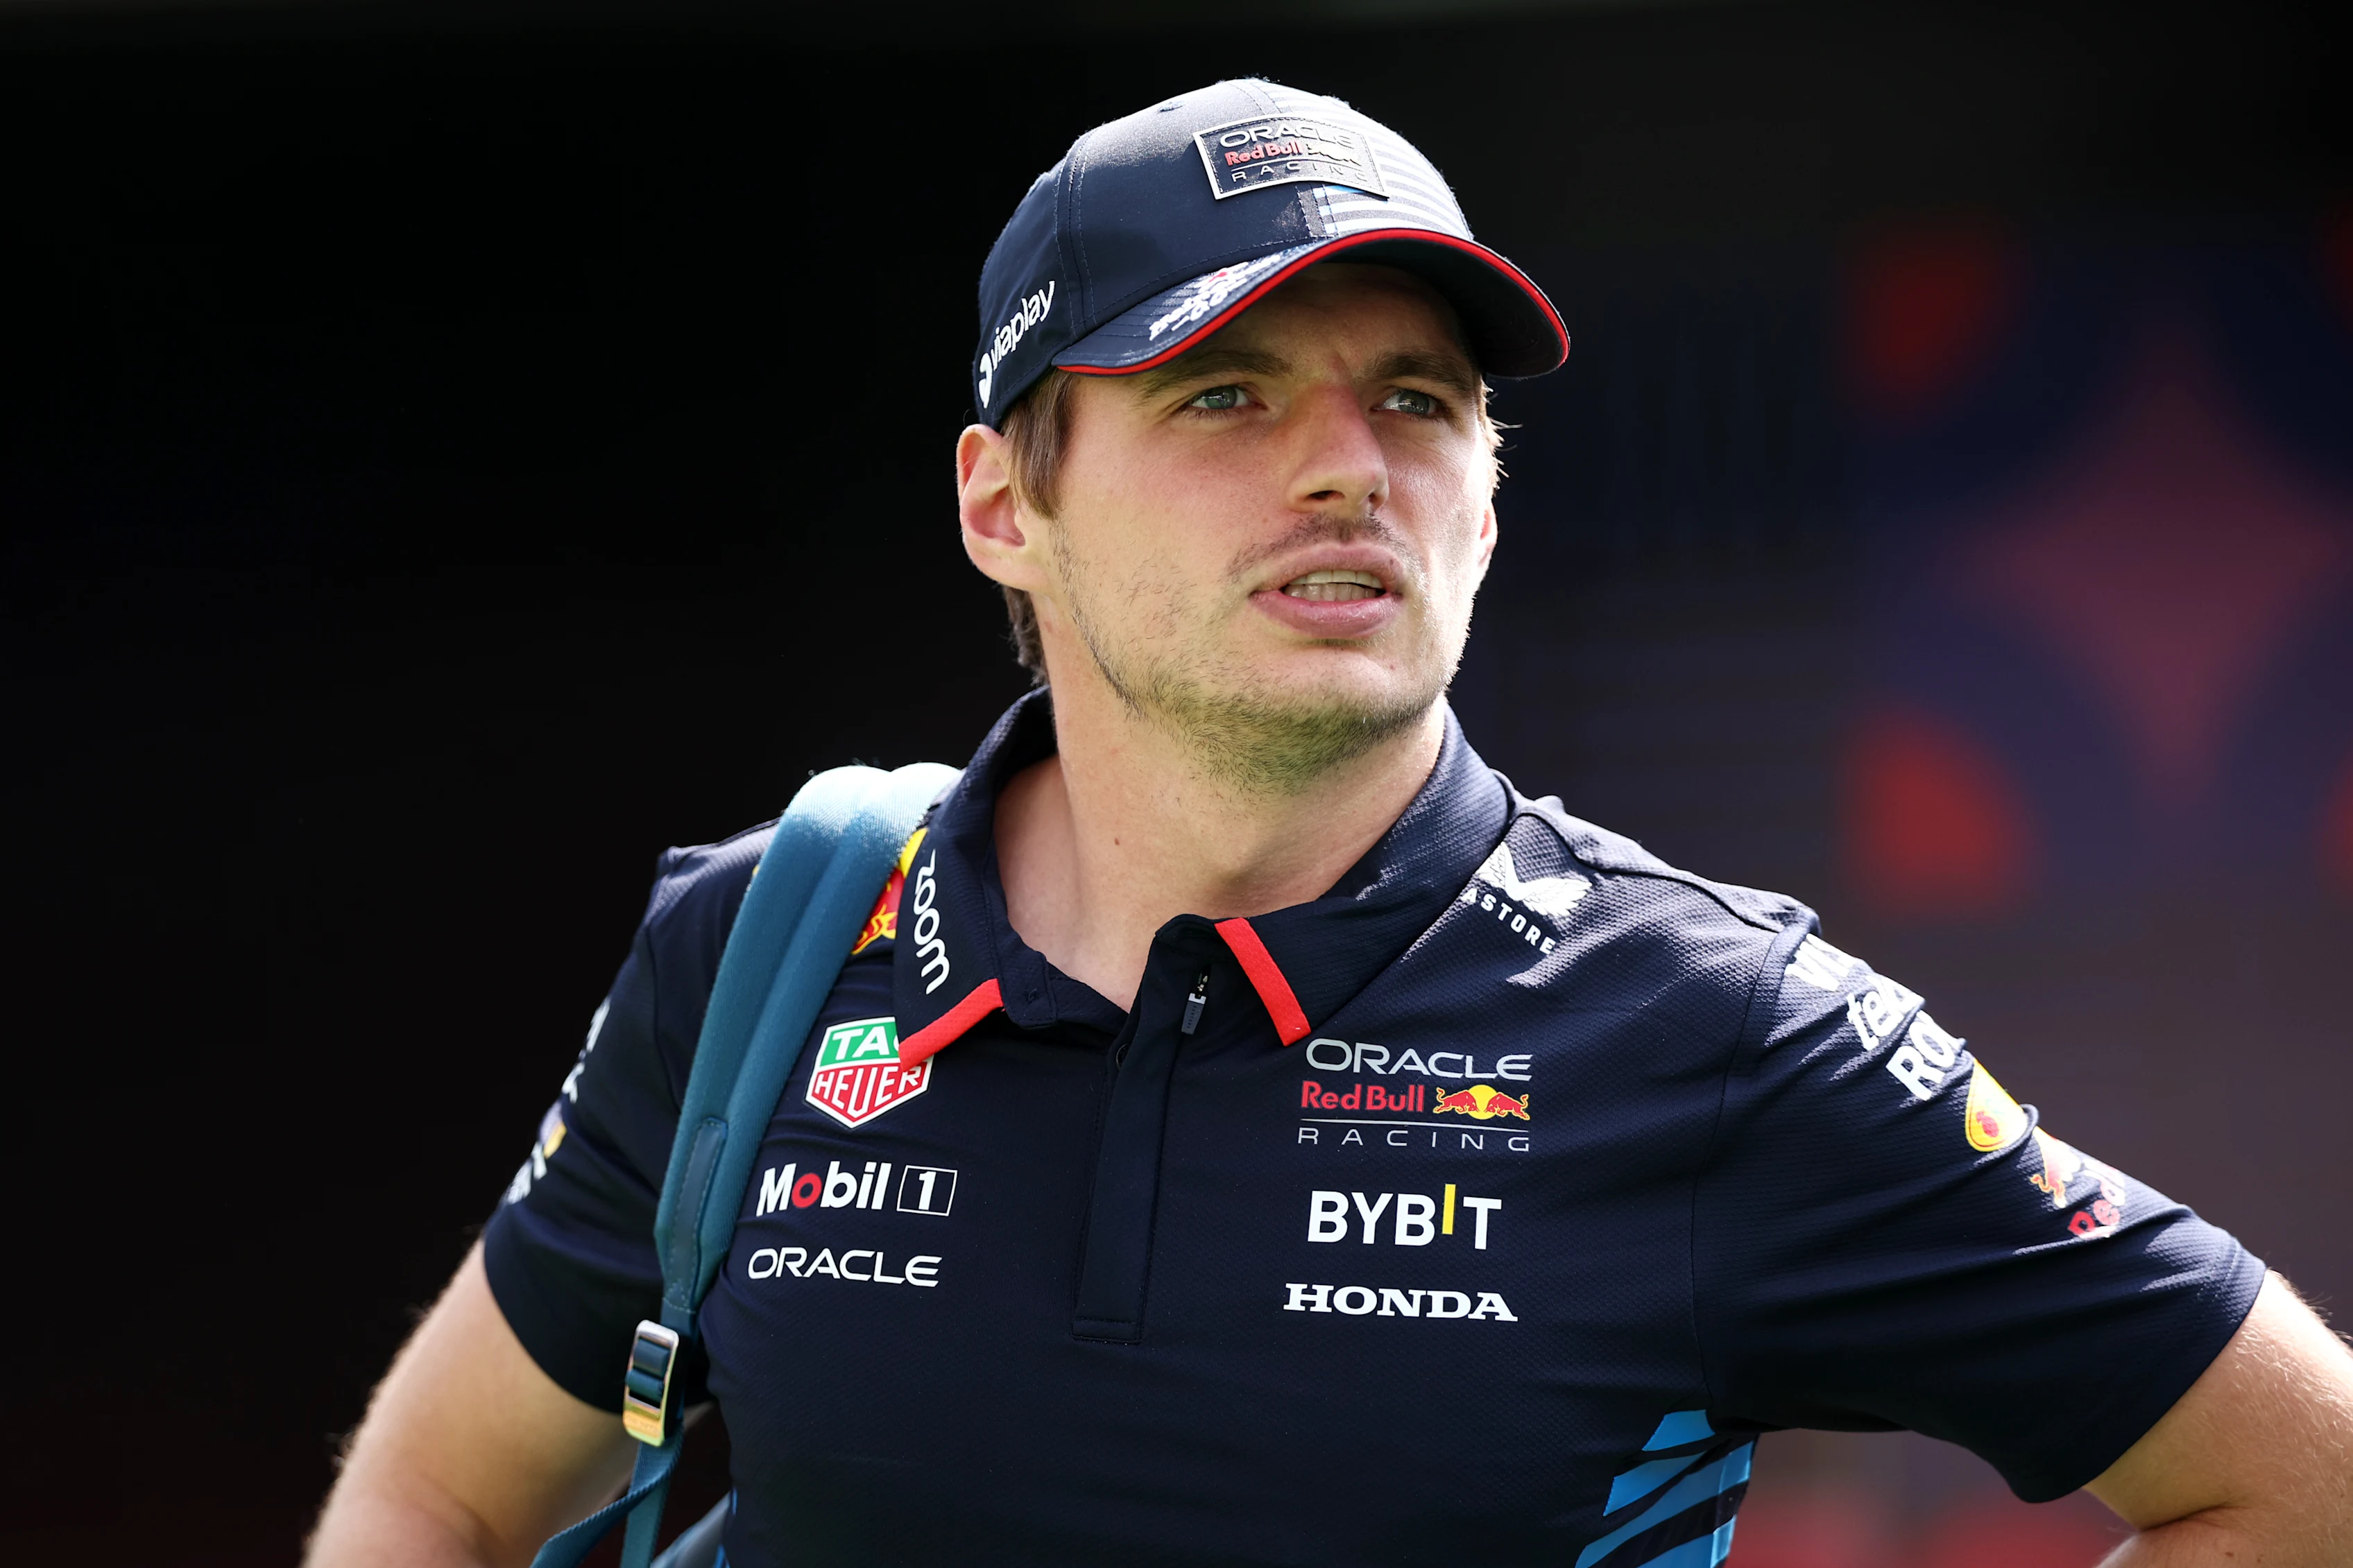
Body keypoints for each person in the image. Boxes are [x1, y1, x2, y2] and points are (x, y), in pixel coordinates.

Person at [307, 80, 2353, 1568]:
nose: (1346, 468)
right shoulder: (769, 941)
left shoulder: (1716, 1024)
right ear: (1005, 502)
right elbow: (440, 1495)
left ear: (1485, 487)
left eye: (1418, 400)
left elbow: (2301, 1479)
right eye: (1226, 394)